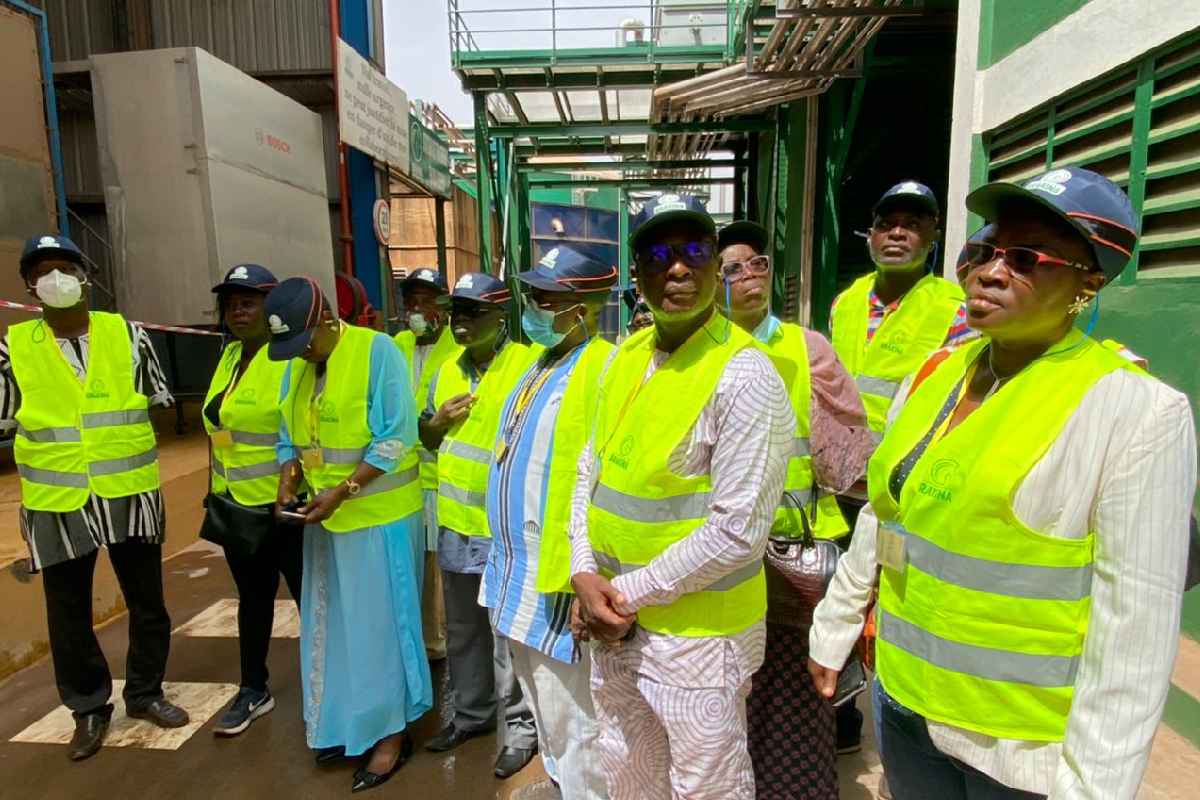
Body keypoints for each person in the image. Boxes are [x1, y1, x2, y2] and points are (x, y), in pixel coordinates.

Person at [809, 167, 1196, 799]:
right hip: (906, 708)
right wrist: (836, 625)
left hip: (1021, 751)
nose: (990, 271)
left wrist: (1094, 787)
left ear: (1087, 285)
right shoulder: (935, 375)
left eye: (1025, 259)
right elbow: (885, 513)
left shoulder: (1135, 410)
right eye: (986, 249)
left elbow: (1136, 628)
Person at [569, 196, 794, 800]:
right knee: (628, 772)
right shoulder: (627, 356)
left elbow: (738, 532)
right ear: (636, 273)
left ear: (717, 265)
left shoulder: (745, 375)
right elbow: (589, 470)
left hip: (699, 643)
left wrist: (618, 596)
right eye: (658, 254)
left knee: (706, 788)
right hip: (618, 626)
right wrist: (583, 571)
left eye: (694, 250)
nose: (677, 268)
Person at [4, 234, 188, 761]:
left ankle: (146, 693)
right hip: (57, 501)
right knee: (68, 613)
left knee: (147, 602)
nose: (56, 279)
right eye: (43, 271)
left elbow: (155, 400)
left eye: (66, 267)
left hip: (129, 492)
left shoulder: (129, 336)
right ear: (29, 286)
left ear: (85, 277)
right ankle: (88, 707)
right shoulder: (11, 349)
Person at [716, 220, 872, 798]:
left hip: (794, 555)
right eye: (732, 268)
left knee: (796, 697)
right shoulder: (699, 351)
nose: (749, 276)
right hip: (719, 554)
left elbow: (847, 451)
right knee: (732, 691)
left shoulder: (807, 349)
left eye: (757, 263)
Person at [266, 277, 432, 793]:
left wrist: (343, 490)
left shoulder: (377, 352)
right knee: (333, 628)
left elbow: (396, 437)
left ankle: (390, 734)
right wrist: (288, 477)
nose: (300, 353)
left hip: (380, 519)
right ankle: (348, 724)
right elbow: (288, 435)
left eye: (304, 341)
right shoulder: (297, 363)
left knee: (380, 631)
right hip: (326, 521)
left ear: (326, 320)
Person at [827, 180, 972, 753]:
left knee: (892, 605)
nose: (898, 233)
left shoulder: (954, 310)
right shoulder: (846, 302)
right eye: (888, 222)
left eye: (913, 223)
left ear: (933, 236)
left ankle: (903, 725)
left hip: (900, 495)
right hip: (840, 486)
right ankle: (841, 716)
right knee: (836, 597)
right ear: (870, 233)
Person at [481, 245, 617, 798]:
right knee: (543, 708)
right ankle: (563, 785)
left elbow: (598, 482)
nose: (533, 305)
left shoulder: (603, 367)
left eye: (547, 298)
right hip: (516, 574)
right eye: (533, 294)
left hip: (557, 578)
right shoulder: (541, 363)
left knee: (575, 716)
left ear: (585, 308)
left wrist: (588, 574)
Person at [418, 272, 540, 777]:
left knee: (507, 634)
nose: (461, 323)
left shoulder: (529, 365)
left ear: (500, 315)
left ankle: (521, 730)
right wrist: (437, 422)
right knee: (464, 630)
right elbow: (427, 438)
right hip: (456, 525)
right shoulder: (446, 370)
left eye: (473, 313)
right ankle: (472, 715)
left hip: (504, 528)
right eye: (456, 314)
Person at [202, 264, 300, 736]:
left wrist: (291, 487)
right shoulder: (229, 357)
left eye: (248, 303)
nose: (238, 312)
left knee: (310, 601)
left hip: (284, 510)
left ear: (271, 308)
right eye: (231, 304)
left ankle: (330, 687)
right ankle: (253, 688)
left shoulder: (290, 359)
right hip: (237, 509)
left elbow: (299, 431)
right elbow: (221, 426)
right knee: (253, 601)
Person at [394, 267, 459, 660]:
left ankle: (435, 641)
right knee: (408, 563)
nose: (416, 310)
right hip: (399, 478)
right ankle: (413, 637)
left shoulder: (458, 349)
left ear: (444, 307)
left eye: (426, 301)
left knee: (436, 566)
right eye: (411, 301)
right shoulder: (395, 346)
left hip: (437, 476)